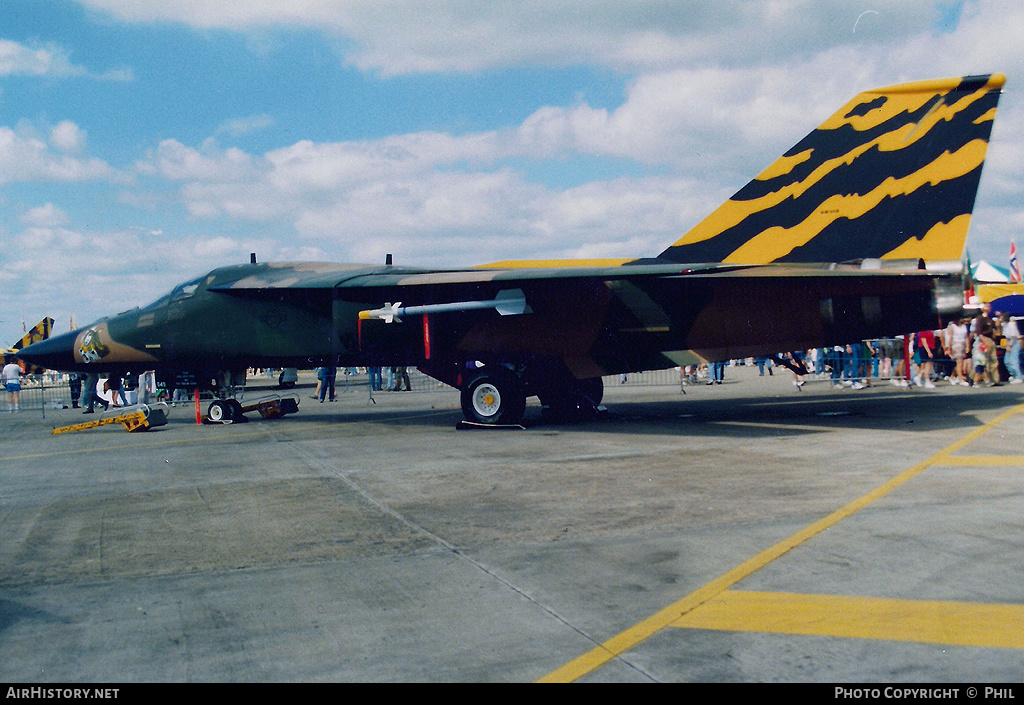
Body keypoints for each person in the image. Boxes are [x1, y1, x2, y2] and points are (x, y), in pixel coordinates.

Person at [1000, 313, 1022, 383]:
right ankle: (1013, 374)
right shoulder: (1004, 325)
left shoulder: (1011, 324)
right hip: (1009, 341)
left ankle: (1018, 377)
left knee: (1013, 361)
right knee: (1006, 361)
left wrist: (1009, 346)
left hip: (1014, 342)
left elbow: (1013, 337)